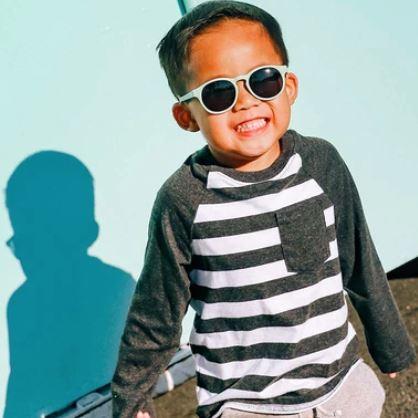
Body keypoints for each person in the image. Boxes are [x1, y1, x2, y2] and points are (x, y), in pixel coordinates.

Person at [111, 1, 416, 417]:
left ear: (289, 86)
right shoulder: (183, 200)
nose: (246, 102)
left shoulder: (320, 164)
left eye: (262, 80)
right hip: (245, 404)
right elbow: (156, 313)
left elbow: (359, 258)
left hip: (340, 387)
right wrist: (130, 401)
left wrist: (390, 343)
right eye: (219, 93)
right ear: (186, 116)